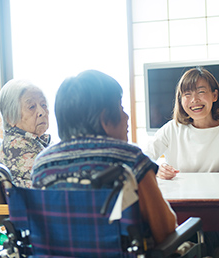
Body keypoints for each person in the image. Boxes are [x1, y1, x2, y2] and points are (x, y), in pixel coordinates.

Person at [31, 70, 177, 245]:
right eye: (121, 108)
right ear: (105, 118)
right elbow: (165, 230)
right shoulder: (130, 159)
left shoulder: (42, 164)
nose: (126, 116)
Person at [144, 67, 219, 257]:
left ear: (215, 95)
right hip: (179, 213)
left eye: (201, 92)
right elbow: (143, 159)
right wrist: (157, 169)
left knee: (200, 242)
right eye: (187, 94)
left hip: (216, 214)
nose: (194, 100)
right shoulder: (172, 129)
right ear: (180, 100)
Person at [0, 79, 50, 188]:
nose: (42, 112)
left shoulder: (34, 141)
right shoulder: (16, 147)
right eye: (32, 107)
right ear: (10, 118)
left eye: (43, 104)